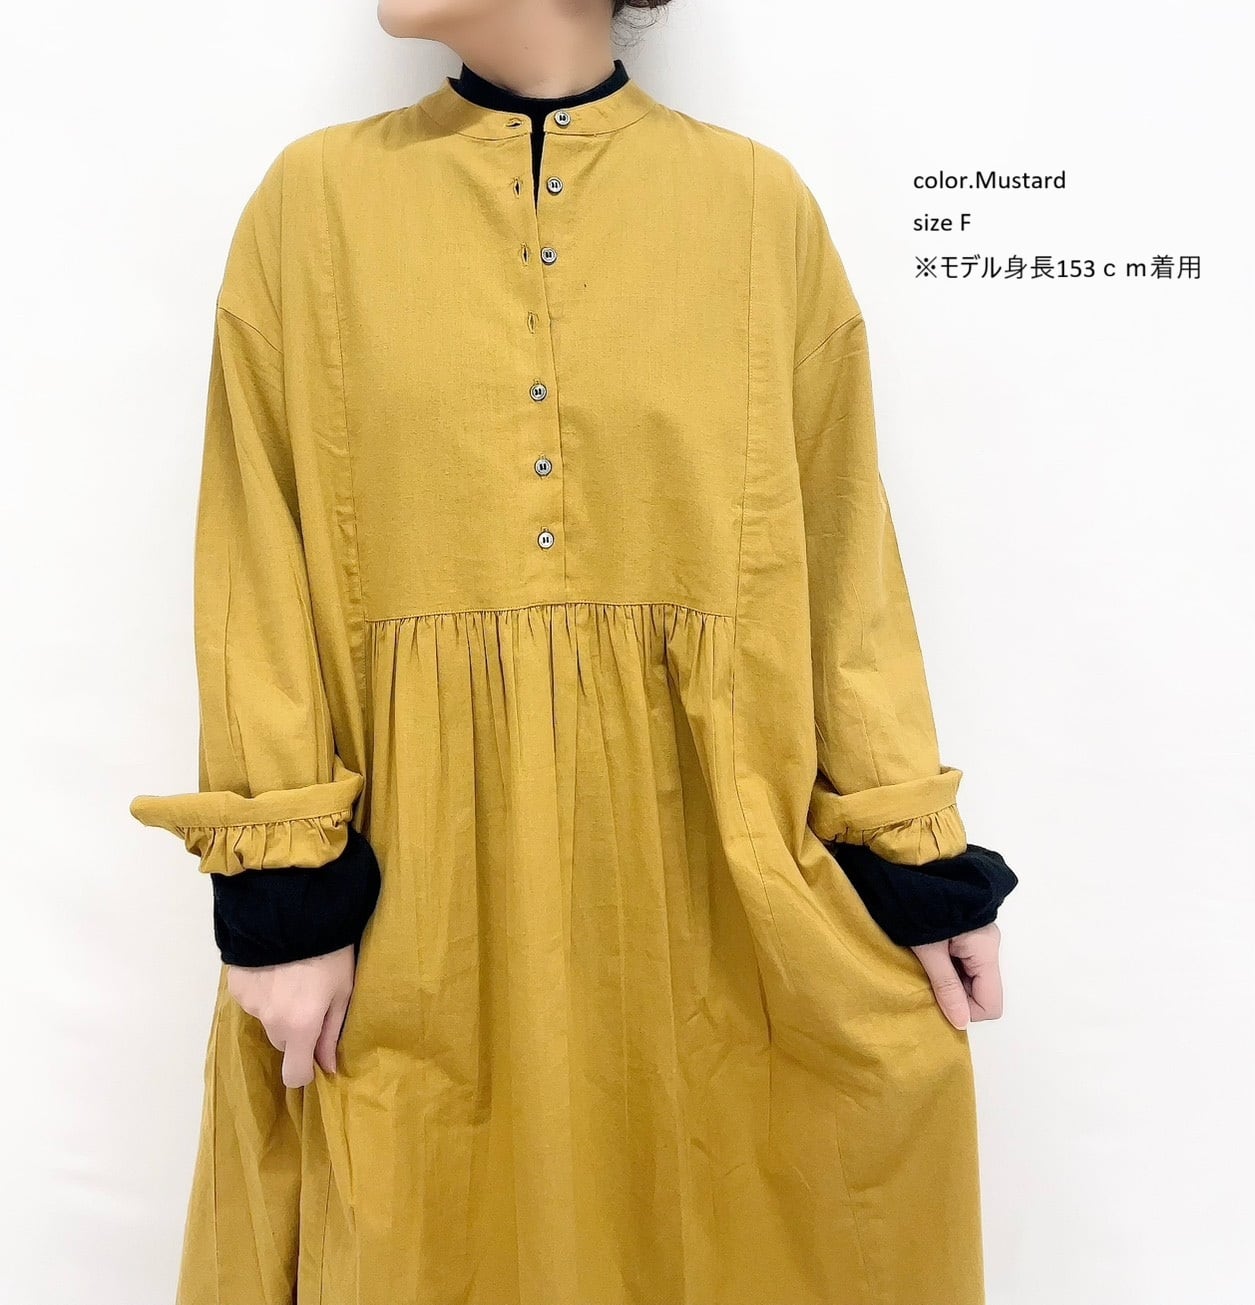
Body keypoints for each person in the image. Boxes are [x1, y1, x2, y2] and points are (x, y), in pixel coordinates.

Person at [128, 2, 1019, 1301]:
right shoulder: (311, 208)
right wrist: (283, 901)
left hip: (717, 907)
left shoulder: (757, 210)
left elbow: (846, 572)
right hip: (414, 915)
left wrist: (916, 862)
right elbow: (252, 564)